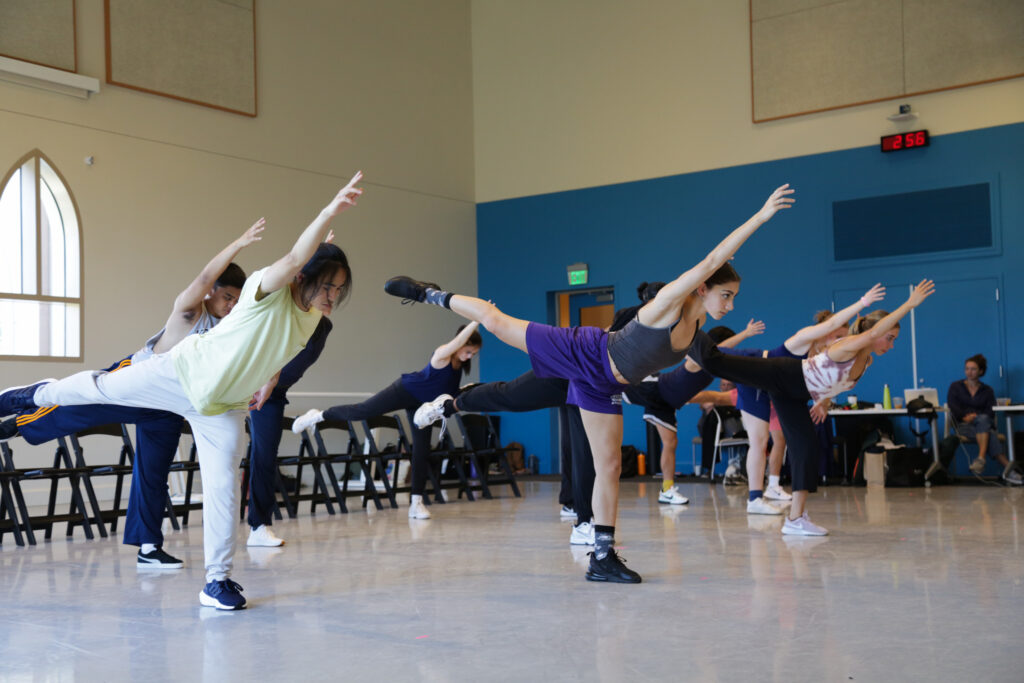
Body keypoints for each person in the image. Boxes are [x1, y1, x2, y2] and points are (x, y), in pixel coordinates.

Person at [383, 184, 796, 583]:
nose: (731, 304)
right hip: (585, 352)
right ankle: (430, 294)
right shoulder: (670, 302)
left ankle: (602, 556)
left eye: (734, 297)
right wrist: (761, 216)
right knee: (495, 320)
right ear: (703, 288)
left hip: (602, 385)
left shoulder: (700, 322)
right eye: (726, 295)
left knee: (610, 466)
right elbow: (712, 259)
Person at [0, 170, 364, 610]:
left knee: (223, 487)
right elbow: (291, 259)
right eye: (327, 286)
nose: (332, 296)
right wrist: (326, 211)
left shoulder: (311, 318)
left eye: (339, 290)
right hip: (179, 374)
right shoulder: (264, 288)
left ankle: (217, 582)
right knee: (100, 389)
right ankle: (34, 395)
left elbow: (277, 351)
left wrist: (267, 381)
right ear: (305, 277)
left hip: (221, 407)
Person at [0, 220, 265, 567]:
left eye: (236, 300)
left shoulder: (228, 329)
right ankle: (20, 411)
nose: (231, 305)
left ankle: (148, 546)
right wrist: (238, 243)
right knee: (78, 408)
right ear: (211, 291)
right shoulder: (191, 311)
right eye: (227, 296)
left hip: (172, 406)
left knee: (154, 471)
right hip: (137, 382)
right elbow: (201, 279)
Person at [689, 279, 936, 536]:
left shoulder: (867, 360)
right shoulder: (847, 346)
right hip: (784, 374)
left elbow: (832, 382)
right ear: (876, 332)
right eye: (890, 337)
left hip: (796, 395)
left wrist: (823, 402)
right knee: (715, 361)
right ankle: (688, 323)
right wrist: (909, 304)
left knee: (806, 448)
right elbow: (871, 335)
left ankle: (795, 519)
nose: (892, 344)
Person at [290, 323, 483, 520]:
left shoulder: (459, 367)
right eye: (468, 351)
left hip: (423, 408)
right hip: (405, 390)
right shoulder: (442, 354)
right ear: (459, 344)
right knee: (363, 411)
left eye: (473, 354)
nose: (469, 357)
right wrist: (477, 320)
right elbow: (456, 343)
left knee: (421, 450)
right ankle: (317, 416)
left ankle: (416, 503)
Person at [733, 284, 886, 516]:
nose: (839, 342)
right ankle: (754, 498)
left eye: (842, 338)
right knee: (760, 439)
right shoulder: (806, 341)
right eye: (836, 336)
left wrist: (824, 401)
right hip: (758, 376)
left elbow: (833, 380)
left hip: (780, 392)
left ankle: (773, 487)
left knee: (784, 439)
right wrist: (864, 302)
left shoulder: (830, 356)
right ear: (825, 332)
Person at [621, 322, 763, 503]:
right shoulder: (698, 360)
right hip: (655, 388)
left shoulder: (713, 366)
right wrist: (746, 333)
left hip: (666, 404)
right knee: (613, 383)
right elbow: (718, 349)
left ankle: (667, 490)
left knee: (670, 443)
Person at [948, 354, 1019, 483]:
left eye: (973, 369)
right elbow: (953, 406)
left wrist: (977, 417)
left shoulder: (987, 390)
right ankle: (1009, 470)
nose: (969, 372)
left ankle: (981, 459)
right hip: (963, 426)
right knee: (989, 433)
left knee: (983, 420)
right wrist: (966, 417)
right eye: (967, 368)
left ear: (981, 371)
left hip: (983, 424)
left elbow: (990, 411)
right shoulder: (955, 387)